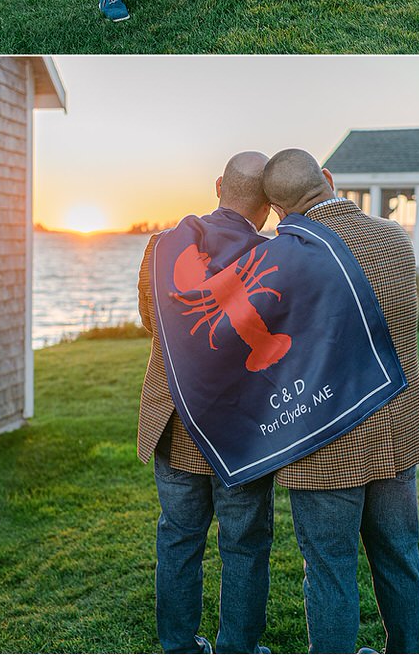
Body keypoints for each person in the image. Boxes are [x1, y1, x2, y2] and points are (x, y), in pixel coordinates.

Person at [261, 149, 419, 655]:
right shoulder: (393, 238)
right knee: (400, 555)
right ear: (329, 180)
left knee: (330, 570)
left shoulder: (278, 260)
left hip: (324, 445)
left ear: (278, 211)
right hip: (395, 428)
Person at [137, 152, 275, 655]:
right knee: (244, 544)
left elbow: (154, 326)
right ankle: (239, 648)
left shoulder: (161, 246)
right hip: (241, 428)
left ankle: (178, 647)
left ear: (219, 185)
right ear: (268, 205)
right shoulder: (272, 256)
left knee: (178, 538)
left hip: (174, 421)